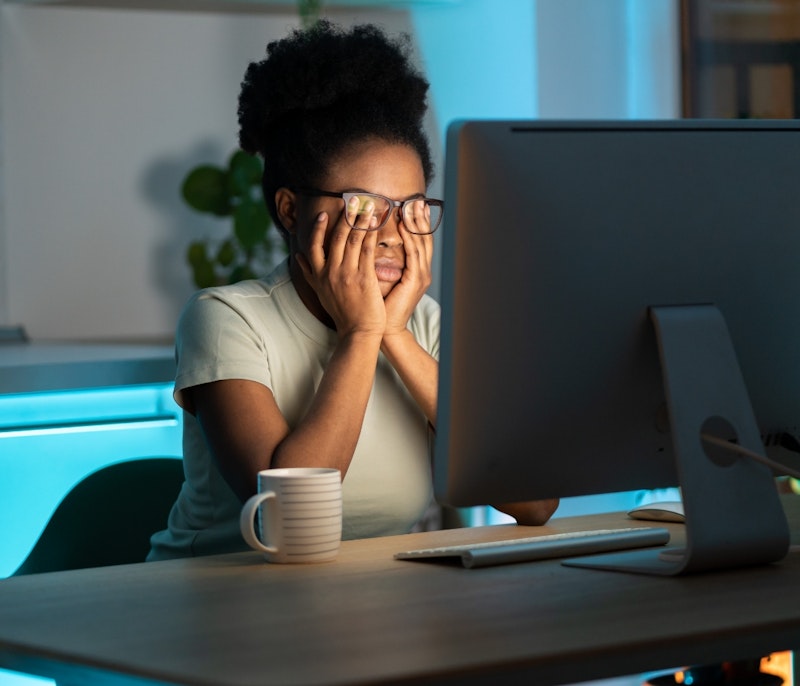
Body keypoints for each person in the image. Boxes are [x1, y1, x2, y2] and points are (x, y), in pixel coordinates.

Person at [148, 20, 557, 561]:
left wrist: (395, 336)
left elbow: (535, 502)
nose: (391, 235)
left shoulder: (423, 324)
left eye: (411, 208)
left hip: (365, 608)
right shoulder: (225, 319)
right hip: (221, 612)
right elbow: (285, 520)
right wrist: (362, 332)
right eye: (365, 207)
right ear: (292, 210)